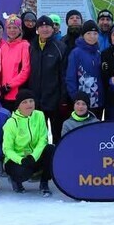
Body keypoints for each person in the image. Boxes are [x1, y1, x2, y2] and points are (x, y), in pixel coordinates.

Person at [2, 88, 55, 196]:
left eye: (31, 101)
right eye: (24, 102)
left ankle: (44, 183)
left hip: (34, 155)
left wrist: (33, 156)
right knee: (23, 173)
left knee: (51, 149)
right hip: (17, 159)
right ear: (18, 106)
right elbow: (7, 149)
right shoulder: (11, 123)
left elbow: (43, 139)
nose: (29, 104)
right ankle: (16, 180)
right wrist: (21, 160)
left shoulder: (39, 115)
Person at [29, 15, 67, 144]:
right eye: (42, 26)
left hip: (54, 100)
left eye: (48, 26)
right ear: (37, 29)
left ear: (53, 29)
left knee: (57, 135)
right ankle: (42, 162)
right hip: (36, 101)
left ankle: (57, 161)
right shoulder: (31, 47)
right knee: (39, 137)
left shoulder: (60, 47)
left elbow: (64, 75)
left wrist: (62, 99)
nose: (45, 29)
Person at [65, 20, 104, 118]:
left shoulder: (98, 53)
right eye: (89, 33)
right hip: (82, 103)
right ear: (83, 35)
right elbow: (70, 77)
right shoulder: (76, 53)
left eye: (95, 33)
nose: (92, 36)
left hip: (97, 101)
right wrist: (76, 98)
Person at [0, 15, 31, 112]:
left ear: (20, 29)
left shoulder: (24, 45)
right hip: (4, 93)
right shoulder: (3, 47)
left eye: (15, 27)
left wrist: (9, 85)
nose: (12, 30)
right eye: (9, 27)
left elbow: (25, 70)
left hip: (17, 93)